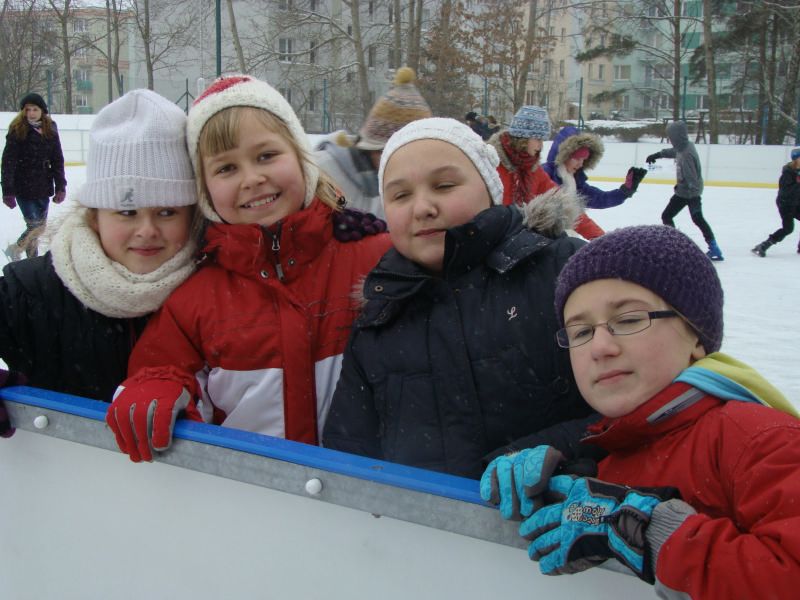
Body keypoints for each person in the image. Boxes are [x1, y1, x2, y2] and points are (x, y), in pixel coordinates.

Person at [481, 225, 800, 599]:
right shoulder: (612, 452)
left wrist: (648, 530)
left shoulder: (760, 440)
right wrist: (554, 488)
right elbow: (605, 518)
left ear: (696, 336)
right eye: (580, 332)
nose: (600, 347)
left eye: (629, 320)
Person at [106, 75, 392, 463]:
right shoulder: (195, 298)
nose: (252, 179)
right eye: (226, 168)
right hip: (252, 491)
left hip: (367, 490)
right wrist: (157, 386)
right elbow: (163, 365)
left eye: (266, 156)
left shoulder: (374, 258)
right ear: (205, 190)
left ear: (301, 158)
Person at [323, 117, 593, 479]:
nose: (422, 207)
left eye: (444, 186)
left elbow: (634, 405)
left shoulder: (560, 271)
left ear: (491, 189)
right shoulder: (378, 319)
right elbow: (348, 454)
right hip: (427, 516)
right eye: (401, 195)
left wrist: (556, 455)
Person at [0, 89, 199, 402]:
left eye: (167, 212)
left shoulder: (214, 295)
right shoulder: (31, 295)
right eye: (127, 212)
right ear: (95, 217)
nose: (147, 230)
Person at [313, 67, 432, 218]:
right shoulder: (323, 172)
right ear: (371, 148)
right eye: (392, 155)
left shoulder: (404, 185)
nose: (406, 166)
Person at [543, 126, 646, 240]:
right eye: (577, 159)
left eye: (584, 160)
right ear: (563, 156)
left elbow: (600, 198)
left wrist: (624, 191)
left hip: (564, 237)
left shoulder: (574, 181)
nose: (580, 164)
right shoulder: (545, 175)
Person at [2, 93, 67, 260]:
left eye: (35, 109)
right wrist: (7, 190)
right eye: (27, 109)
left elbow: (57, 159)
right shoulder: (17, 129)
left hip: (43, 185)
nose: (31, 113)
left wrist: (61, 186)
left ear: (42, 111)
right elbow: (8, 161)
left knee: (40, 227)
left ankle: (30, 259)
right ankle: (19, 250)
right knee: (34, 225)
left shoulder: (50, 128)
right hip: (23, 185)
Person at [646, 121, 723, 260]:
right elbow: (674, 151)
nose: (670, 139)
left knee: (672, 216)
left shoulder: (686, 154)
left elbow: (690, 178)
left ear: (676, 136)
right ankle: (712, 247)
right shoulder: (685, 146)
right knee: (692, 218)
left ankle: (677, 245)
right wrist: (657, 155)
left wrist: (681, 188)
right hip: (688, 191)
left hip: (689, 192)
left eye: (671, 136)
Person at [489, 105, 568, 208]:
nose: (541, 146)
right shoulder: (491, 163)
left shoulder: (532, 168)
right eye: (538, 139)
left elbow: (559, 199)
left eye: (543, 140)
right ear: (523, 138)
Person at [751, 147, 800, 257]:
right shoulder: (788, 173)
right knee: (788, 228)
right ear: (796, 159)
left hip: (796, 203)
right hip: (785, 204)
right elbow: (787, 191)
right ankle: (764, 245)